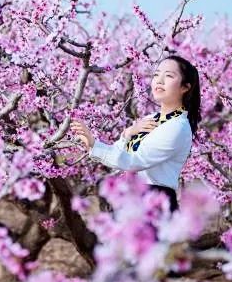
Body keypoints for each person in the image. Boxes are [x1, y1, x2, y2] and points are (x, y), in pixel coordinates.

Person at [69, 55, 201, 212]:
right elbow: (122, 155)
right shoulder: (151, 119)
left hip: (153, 202)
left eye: (169, 76)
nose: (159, 81)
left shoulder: (177, 127)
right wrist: (127, 133)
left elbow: (133, 162)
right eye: (156, 75)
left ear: (185, 87)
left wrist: (94, 144)